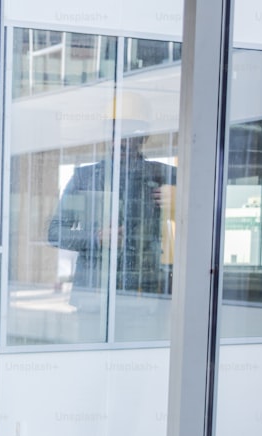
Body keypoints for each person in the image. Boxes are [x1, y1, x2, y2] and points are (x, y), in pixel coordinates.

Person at [48, 92, 177, 308]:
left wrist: (182, 204)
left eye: (131, 133)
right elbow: (55, 233)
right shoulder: (84, 178)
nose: (123, 141)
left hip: (144, 296)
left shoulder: (166, 176)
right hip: (94, 297)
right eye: (116, 132)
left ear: (144, 137)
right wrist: (96, 238)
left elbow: (207, 222)